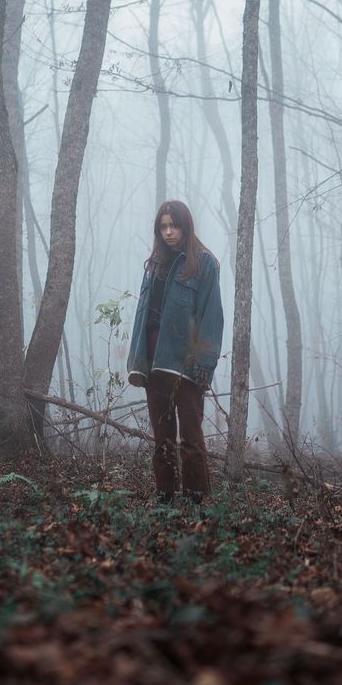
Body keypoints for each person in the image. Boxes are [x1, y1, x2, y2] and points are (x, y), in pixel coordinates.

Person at [127, 200, 224, 502]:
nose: (169, 232)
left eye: (174, 226)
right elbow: (143, 316)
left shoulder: (205, 263)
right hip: (155, 364)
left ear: (186, 226)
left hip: (186, 365)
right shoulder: (154, 265)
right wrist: (137, 362)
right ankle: (164, 497)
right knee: (162, 437)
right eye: (163, 227)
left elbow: (211, 318)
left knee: (191, 439)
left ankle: (198, 499)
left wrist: (204, 365)